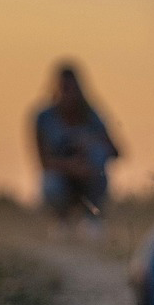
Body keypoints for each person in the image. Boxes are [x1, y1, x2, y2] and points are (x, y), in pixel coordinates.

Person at [33, 62, 121, 239]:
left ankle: (93, 218)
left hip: (89, 177)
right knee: (51, 183)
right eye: (64, 88)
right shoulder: (44, 118)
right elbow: (42, 161)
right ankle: (60, 221)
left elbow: (116, 151)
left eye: (72, 89)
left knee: (98, 152)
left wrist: (89, 144)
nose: (69, 95)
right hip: (61, 179)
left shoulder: (92, 116)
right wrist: (71, 167)